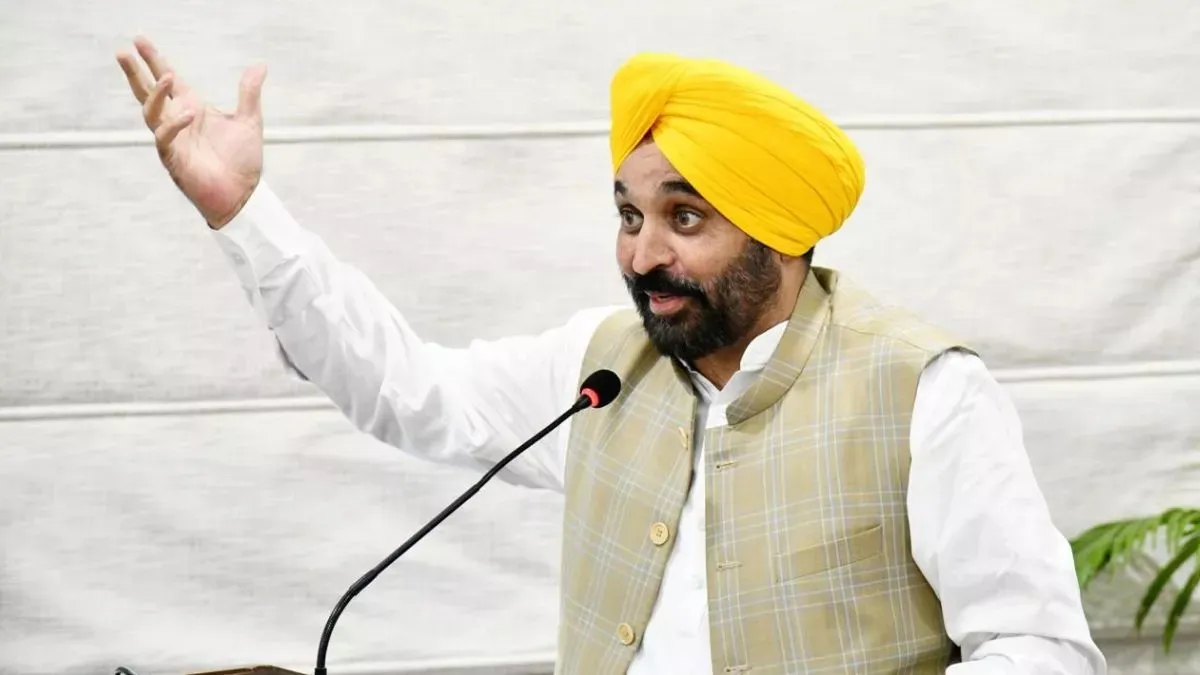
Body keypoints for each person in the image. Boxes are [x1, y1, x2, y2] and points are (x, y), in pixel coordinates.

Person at [115, 36, 1106, 675]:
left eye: (685, 217)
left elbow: (1039, 648)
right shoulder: (599, 371)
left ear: (781, 233)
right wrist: (245, 215)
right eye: (630, 215)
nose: (641, 256)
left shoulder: (926, 392)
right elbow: (407, 389)